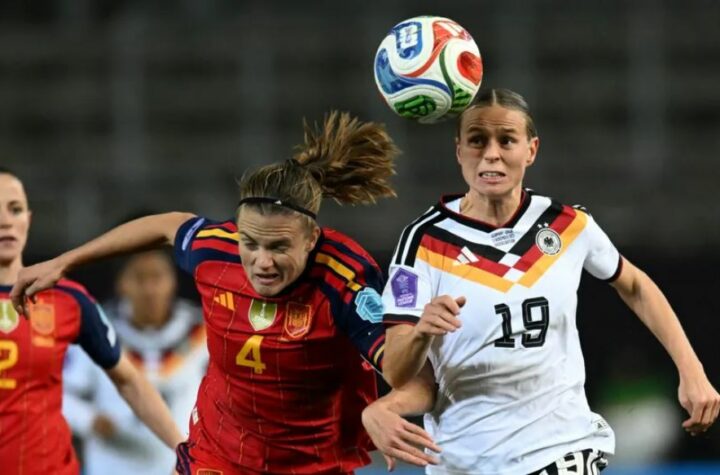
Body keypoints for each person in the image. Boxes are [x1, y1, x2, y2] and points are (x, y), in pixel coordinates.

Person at [11, 110, 399, 474]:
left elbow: (406, 369)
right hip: (218, 456)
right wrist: (66, 262)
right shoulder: (217, 250)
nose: (262, 262)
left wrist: (389, 404)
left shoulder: (344, 279)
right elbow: (166, 226)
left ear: (311, 238)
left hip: (310, 463)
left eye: (278, 247)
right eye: (250, 243)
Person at [365, 89, 720, 474]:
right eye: (477, 141)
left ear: (531, 150)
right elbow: (397, 371)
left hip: (561, 447)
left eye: (506, 140)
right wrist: (421, 334)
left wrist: (692, 370)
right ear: (459, 151)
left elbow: (634, 284)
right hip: (466, 461)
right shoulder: (423, 242)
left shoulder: (567, 225)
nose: (491, 154)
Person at [0, 168, 184, 475]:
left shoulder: (68, 300)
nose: (6, 221)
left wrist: (183, 448)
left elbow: (129, 381)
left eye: (15, 209)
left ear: (28, 220)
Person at [63, 249, 207, 475]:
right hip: (113, 465)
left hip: (180, 468)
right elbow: (59, 394)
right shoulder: (96, 330)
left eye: (157, 277)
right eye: (139, 278)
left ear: (173, 281)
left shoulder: (204, 333)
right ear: (121, 283)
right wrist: (89, 419)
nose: (149, 289)